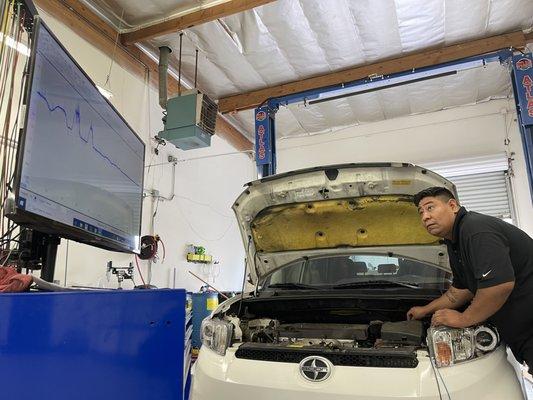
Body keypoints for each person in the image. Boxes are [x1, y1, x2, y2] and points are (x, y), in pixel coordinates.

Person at [406, 186, 533, 374]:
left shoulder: (476, 230)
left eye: (430, 207)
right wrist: (424, 310)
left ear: (452, 205)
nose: (425, 217)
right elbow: (460, 291)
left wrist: (464, 318)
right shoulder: (454, 241)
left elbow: (498, 286)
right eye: (421, 212)